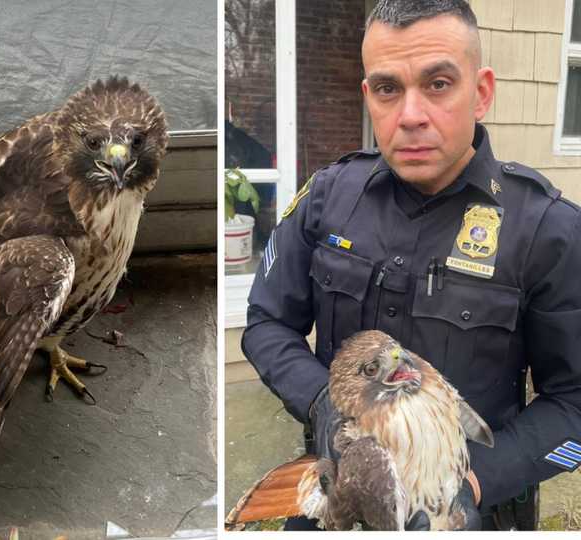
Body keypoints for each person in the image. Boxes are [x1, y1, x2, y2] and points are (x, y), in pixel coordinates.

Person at [242, 0, 581, 531]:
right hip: (338, 499)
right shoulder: (328, 198)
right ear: (368, 97)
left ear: (482, 92)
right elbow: (266, 324)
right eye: (388, 88)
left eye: (439, 84)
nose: (411, 115)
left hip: (470, 511)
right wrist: (320, 402)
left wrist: (472, 485)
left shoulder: (549, 231)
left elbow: (576, 407)